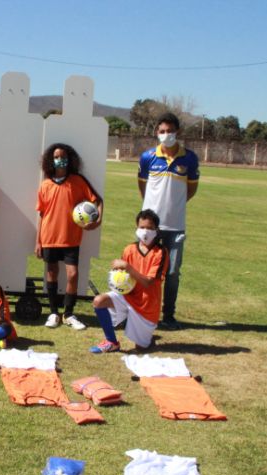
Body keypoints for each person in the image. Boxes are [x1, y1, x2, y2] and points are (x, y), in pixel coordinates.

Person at [138, 112, 199, 330]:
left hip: (176, 226)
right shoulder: (147, 157)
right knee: (145, 270)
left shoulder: (189, 158)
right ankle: (143, 313)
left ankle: (169, 316)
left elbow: (191, 189)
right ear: (157, 132)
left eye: (170, 131)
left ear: (177, 132)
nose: (166, 135)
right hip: (150, 228)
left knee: (172, 273)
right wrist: (150, 214)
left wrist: (175, 206)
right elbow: (142, 186)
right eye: (162, 131)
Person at [35, 143, 102, 330]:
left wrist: (96, 221)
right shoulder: (45, 184)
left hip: (71, 237)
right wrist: (38, 241)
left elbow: (98, 200)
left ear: (70, 159)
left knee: (73, 274)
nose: (60, 160)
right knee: (51, 272)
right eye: (56, 157)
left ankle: (69, 313)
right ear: (51, 160)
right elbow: (41, 214)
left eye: (63, 156)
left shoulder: (77, 181)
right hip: (49, 236)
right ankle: (53, 312)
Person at [89, 209, 168, 353]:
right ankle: (112, 342)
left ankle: (146, 337)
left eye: (150, 228)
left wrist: (128, 267)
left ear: (156, 230)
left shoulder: (161, 253)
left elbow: (148, 283)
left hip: (147, 305)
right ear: (137, 228)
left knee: (141, 348)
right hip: (127, 296)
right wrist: (116, 277)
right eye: (142, 227)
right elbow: (122, 275)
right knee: (99, 301)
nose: (145, 231)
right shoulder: (129, 249)